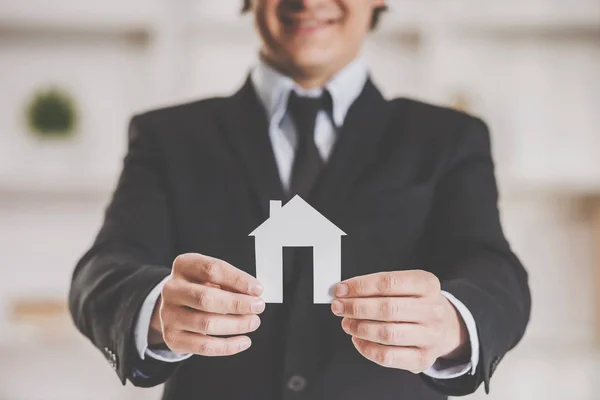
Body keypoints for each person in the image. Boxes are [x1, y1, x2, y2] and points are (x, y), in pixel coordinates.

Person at [69, 1, 531, 399]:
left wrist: (452, 321)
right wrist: (154, 309)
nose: (308, 1)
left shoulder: (448, 139)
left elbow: (494, 270)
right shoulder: (167, 137)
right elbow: (103, 270)